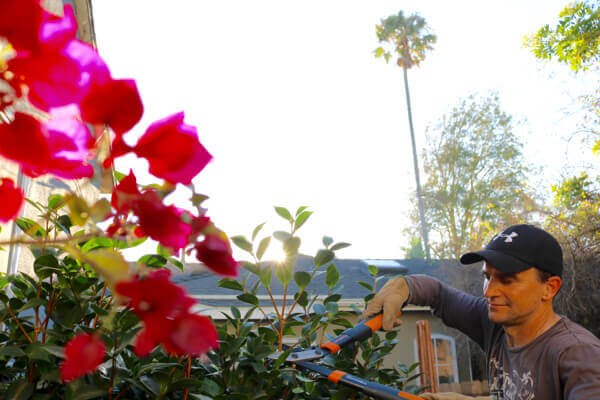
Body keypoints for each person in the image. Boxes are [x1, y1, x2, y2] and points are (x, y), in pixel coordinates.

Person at [363, 224, 600, 400]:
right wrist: (403, 286)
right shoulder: (495, 324)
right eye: (487, 277)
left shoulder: (577, 354)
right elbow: (439, 295)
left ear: (549, 288)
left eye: (507, 280)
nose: (488, 292)